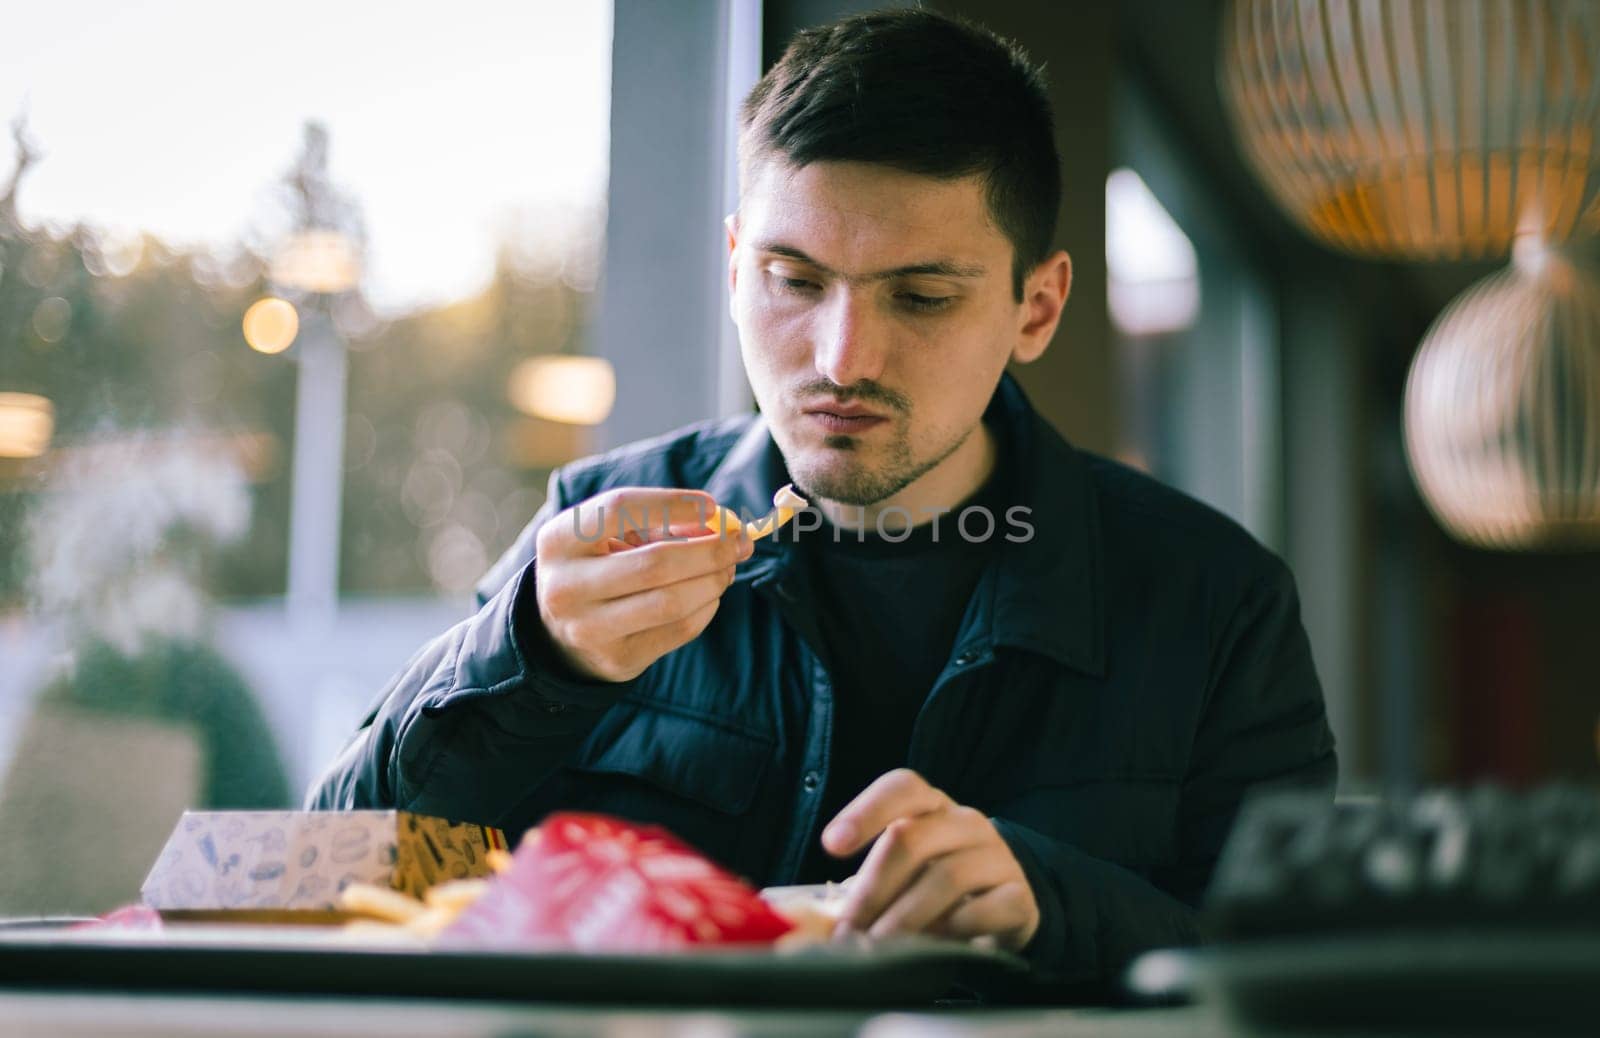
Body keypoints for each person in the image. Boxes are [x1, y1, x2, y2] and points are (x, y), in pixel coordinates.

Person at [309, 9, 1336, 987]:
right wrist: (530, 656)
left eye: (922, 296)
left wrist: (1048, 904)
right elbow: (322, 879)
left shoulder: (1213, 599)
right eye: (793, 282)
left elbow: (1300, 974)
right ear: (730, 267)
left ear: (1037, 308)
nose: (841, 359)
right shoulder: (599, 520)